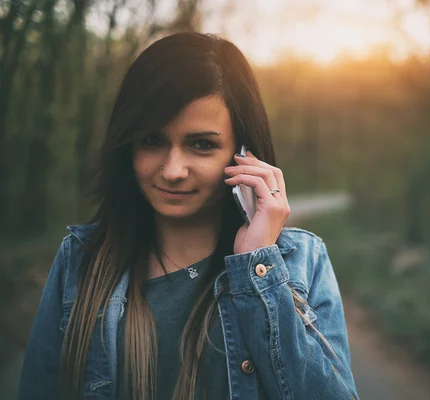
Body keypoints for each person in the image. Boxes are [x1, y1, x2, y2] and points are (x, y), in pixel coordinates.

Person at [18, 32, 359, 400]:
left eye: (201, 145)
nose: (172, 170)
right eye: (152, 141)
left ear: (243, 155)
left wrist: (256, 267)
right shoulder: (81, 260)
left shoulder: (301, 263)